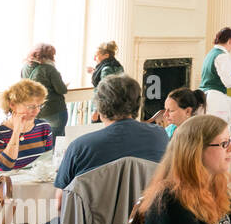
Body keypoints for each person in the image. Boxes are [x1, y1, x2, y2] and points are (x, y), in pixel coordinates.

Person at [54, 74, 170, 202]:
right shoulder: (160, 136)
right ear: (138, 103)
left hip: (94, 221)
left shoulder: (80, 147)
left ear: (100, 106)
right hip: (147, 217)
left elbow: (60, 203)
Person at [0, 79, 53, 171]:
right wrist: (16, 132)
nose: (37, 111)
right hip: (7, 184)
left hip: (35, 182)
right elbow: (3, 167)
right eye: (31, 106)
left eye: (39, 105)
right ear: (12, 105)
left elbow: (47, 162)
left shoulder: (44, 127)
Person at [21, 43, 69, 137]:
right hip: (54, 109)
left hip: (35, 110)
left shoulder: (25, 68)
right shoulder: (49, 69)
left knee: (41, 140)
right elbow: (61, 90)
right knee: (56, 140)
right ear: (49, 55)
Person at [200, 28, 231, 100]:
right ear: (230, 40)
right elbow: (229, 82)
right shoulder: (223, 56)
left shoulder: (211, 53)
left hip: (205, 95)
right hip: (216, 98)